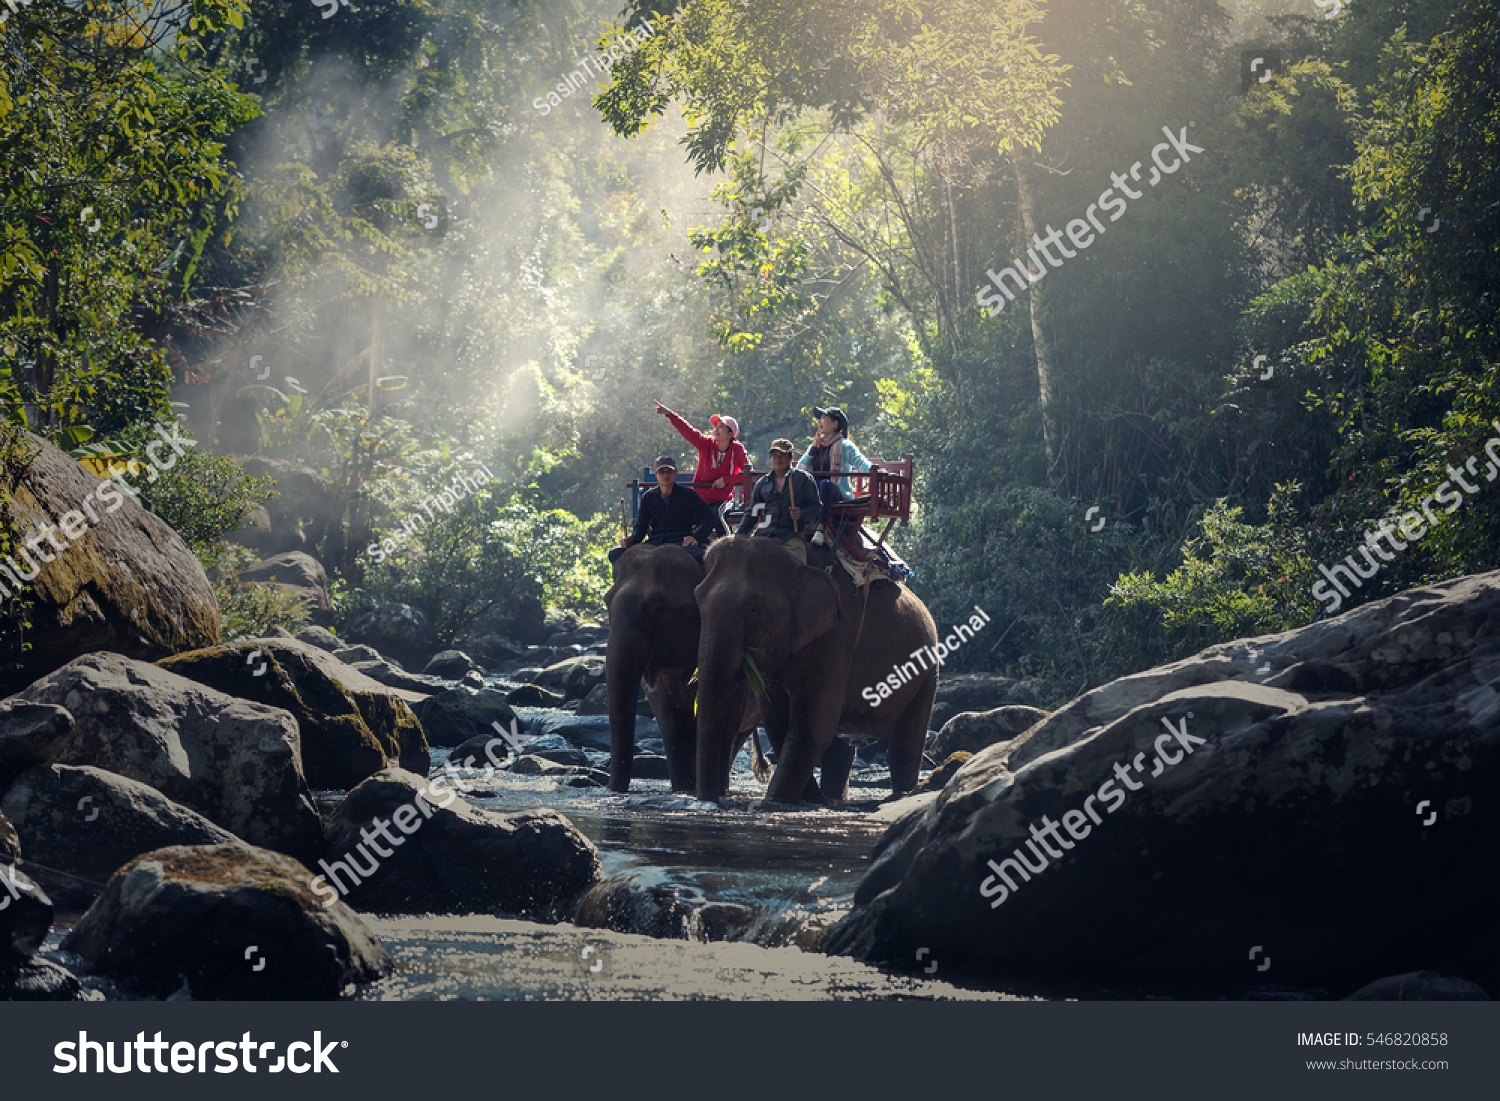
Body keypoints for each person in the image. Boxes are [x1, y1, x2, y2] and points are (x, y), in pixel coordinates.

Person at [610, 454, 717, 565]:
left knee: (702, 560)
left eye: (669, 471)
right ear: (656, 474)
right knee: (615, 554)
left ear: (675, 472)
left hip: (681, 543)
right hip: (655, 543)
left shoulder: (688, 494)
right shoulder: (648, 497)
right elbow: (640, 528)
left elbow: (711, 516)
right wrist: (631, 540)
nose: (665, 475)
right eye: (661, 472)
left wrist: (697, 538)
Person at [797, 406, 876, 546]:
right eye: (819, 418)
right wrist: (812, 449)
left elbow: (860, 462)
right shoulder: (816, 446)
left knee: (825, 484)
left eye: (824, 418)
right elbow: (800, 469)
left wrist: (875, 470)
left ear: (835, 424)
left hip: (835, 492)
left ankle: (820, 529)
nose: (820, 421)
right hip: (814, 492)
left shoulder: (845, 446)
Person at [737, 437, 821, 565]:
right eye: (774, 455)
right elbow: (752, 513)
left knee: (796, 568)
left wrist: (801, 514)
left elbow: (816, 507)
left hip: (791, 537)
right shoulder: (762, 483)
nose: (777, 459)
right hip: (765, 536)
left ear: (791, 457)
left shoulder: (804, 479)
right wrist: (737, 537)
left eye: (782, 455)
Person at [655, 400, 750, 506]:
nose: (716, 430)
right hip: (699, 499)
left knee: (715, 517)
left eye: (721, 427)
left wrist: (726, 480)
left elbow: (748, 474)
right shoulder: (705, 443)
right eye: (716, 427)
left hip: (722, 500)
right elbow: (688, 430)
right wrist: (670, 414)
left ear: (730, 434)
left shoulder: (737, 449)